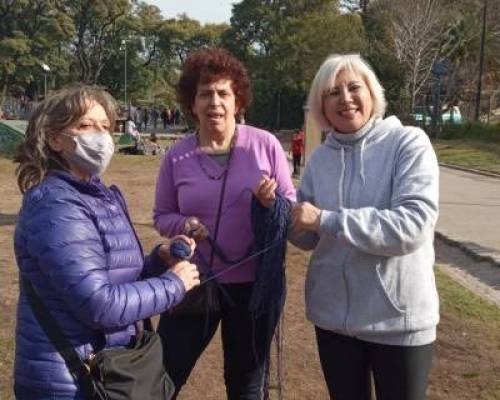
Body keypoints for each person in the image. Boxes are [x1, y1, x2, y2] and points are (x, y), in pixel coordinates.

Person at [13, 85, 200, 399]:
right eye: (85, 125)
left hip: (103, 371)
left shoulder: (100, 196)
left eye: (105, 126)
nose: (99, 136)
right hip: (68, 383)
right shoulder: (56, 206)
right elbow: (99, 304)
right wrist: (173, 285)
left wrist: (158, 260)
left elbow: (114, 276)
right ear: (55, 138)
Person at [290, 54, 439, 400]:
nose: (345, 98)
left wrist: (327, 219)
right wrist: (280, 215)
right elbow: (308, 238)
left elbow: (411, 226)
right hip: (333, 322)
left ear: (372, 93)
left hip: (398, 323)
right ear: (321, 106)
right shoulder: (320, 158)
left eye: (354, 87)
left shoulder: (408, 143)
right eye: (332, 92)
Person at [153, 47, 296, 399]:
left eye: (223, 93)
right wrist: (184, 224)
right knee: (162, 374)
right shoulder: (176, 156)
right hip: (194, 281)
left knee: (246, 383)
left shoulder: (265, 145)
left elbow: (289, 206)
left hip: (254, 288)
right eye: (205, 94)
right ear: (192, 102)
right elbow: (161, 216)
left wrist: (270, 203)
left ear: (238, 101)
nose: (214, 102)